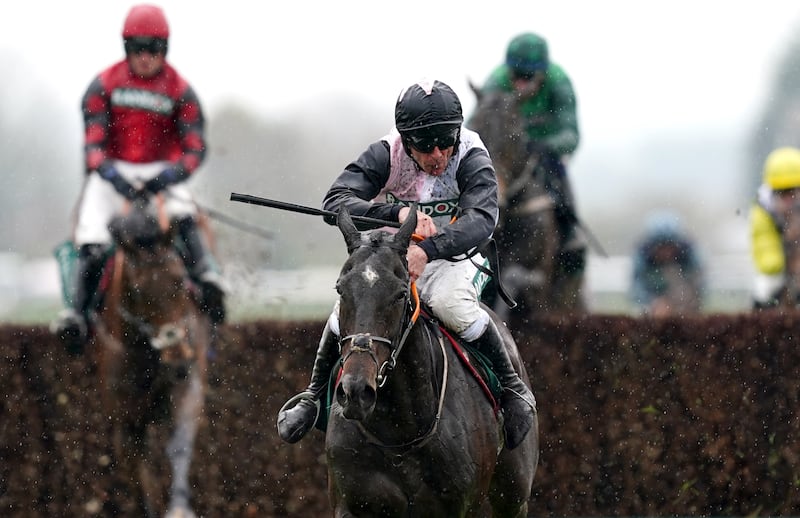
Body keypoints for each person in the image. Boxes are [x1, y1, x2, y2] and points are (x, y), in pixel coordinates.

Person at [276, 79, 536, 449]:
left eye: (445, 142)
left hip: (455, 257)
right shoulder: (386, 153)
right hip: (390, 258)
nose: (438, 155)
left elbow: (481, 219)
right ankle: (314, 395)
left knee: (450, 305)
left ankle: (512, 389)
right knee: (345, 310)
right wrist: (396, 212)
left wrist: (429, 250)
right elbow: (336, 200)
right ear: (406, 141)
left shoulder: (472, 153)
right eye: (426, 146)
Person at [50, 4, 225, 354]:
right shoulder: (102, 85)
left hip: (163, 170)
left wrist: (170, 174)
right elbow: (93, 147)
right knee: (93, 234)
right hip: (112, 172)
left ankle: (208, 279)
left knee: (185, 215)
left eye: (154, 48)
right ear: (126, 47)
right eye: (137, 48)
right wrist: (114, 175)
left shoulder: (181, 90)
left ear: (165, 49)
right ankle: (77, 314)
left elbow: (195, 147)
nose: (145, 57)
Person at [470, 32, 584, 283]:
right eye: (517, 75)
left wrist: (546, 145)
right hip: (506, 153)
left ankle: (570, 236)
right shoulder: (496, 81)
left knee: (558, 175)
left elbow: (571, 135)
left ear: (542, 72)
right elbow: (473, 127)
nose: (521, 83)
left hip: (544, 151)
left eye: (529, 77)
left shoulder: (559, 82)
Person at [750, 146, 800, 308]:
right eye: (782, 192)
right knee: (765, 287)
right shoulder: (763, 210)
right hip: (779, 265)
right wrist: (778, 268)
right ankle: (760, 326)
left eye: (792, 191)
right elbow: (765, 245)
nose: (788, 199)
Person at [630, 210, 705, 317]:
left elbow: (700, 285)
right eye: (660, 247)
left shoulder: (690, 256)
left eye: (669, 246)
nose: (665, 253)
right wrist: (652, 303)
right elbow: (637, 287)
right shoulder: (642, 257)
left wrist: (678, 304)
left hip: (684, 304)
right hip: (653, 306)